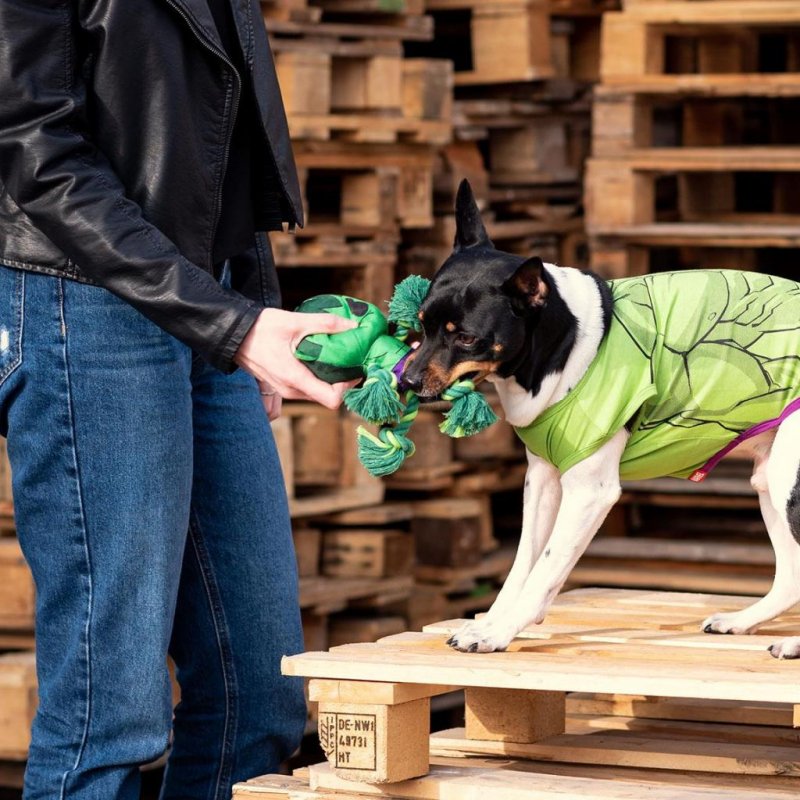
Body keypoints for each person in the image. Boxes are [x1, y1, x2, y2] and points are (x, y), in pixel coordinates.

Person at [0, 1, 355, 797]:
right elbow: (28, 144)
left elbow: (221, 135)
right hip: (82, 304)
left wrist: (250, 310)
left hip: (204, 296)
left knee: (258, 698)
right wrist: (231, 324)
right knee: (111, 717)